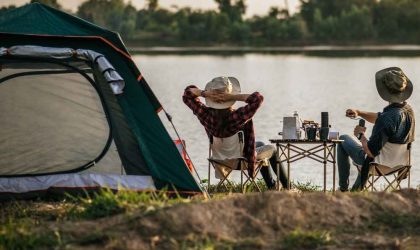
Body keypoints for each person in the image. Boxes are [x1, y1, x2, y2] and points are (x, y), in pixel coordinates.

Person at [182, 76, 289, 189]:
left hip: (220, 160)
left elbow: (187, 95)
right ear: (229, 98)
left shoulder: (205, 115)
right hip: (242, 161)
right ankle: (287, 187)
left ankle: (272, 185)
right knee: (272, 149)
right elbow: (258, 98)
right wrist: (233, 96)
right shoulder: (237, 116)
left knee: (260, 144)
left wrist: (204, 93)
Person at [338, 67, 415, 191]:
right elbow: (381, 118)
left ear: (384, 91)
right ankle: (355, 191)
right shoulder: (408, 111)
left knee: (343, 140)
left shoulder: (387, 118)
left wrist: (361, 135)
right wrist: (359, 112)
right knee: (368, 154)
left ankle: (343, 189)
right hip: (399, 164)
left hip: (378, 164)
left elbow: (370, 152)